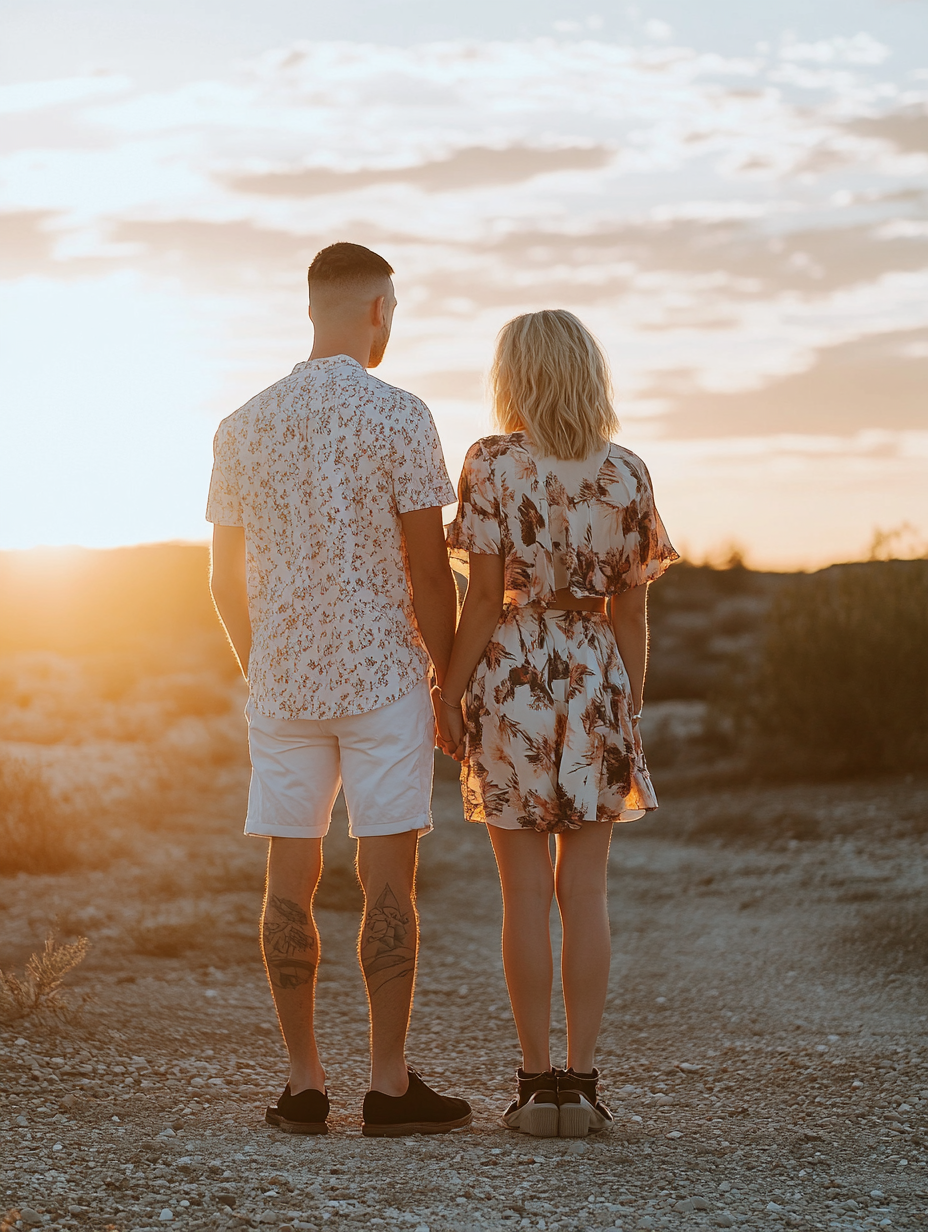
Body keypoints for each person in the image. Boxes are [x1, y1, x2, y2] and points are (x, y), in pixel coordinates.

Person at [207, 242, 471, 1137]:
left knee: (290, 876)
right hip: (386, 680)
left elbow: (220, 578)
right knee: (387, 879)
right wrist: (448, 682)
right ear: (374, 310)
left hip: (283, 684)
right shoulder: (401, 415)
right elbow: (433, 576)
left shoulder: (242, 424)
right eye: (391, 308)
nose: (391, 322)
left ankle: (302, 1084)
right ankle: (390, 1087)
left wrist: (263, 666)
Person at [436, 309, 678, 1138]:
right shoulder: (628, 474)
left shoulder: (493, 463)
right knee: (587, 892)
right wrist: (628, 710)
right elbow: (634, 613)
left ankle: (534, 1084)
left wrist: (448, 692)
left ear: (516, 376)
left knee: (524, 893)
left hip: (512, 677)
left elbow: (479, 601)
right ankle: (583, 1083)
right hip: (598, 673)